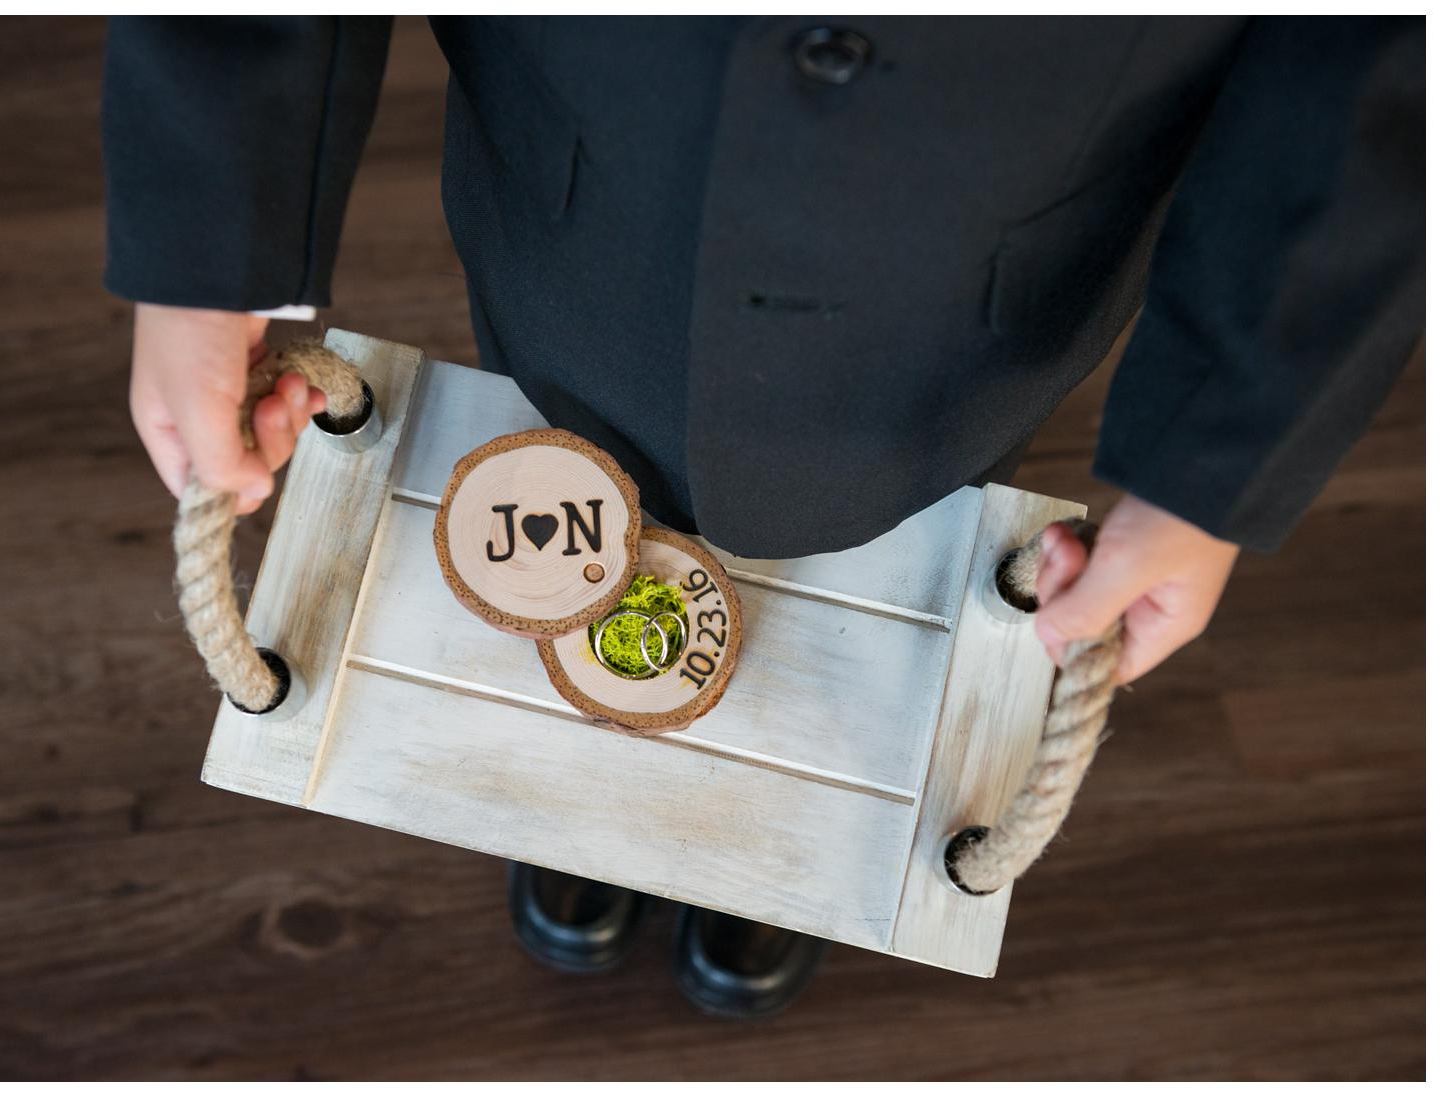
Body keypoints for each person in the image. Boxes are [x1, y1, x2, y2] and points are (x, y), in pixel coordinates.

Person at [103, 16, 1421, 1016]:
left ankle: (750, 844)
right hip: (588, 201)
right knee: (562, 477)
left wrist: (1213, 455)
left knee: (902, 515)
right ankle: (604, 804)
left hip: (975, 289)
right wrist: (214, 247)